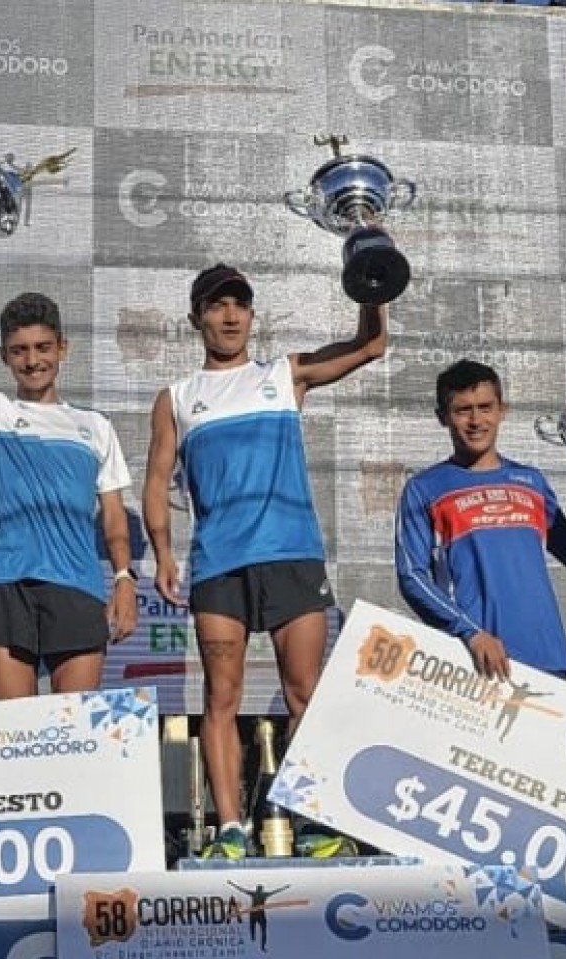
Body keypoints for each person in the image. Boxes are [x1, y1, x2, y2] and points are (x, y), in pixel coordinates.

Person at [143, 265, 385, 859]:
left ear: (252, 315)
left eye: (239, 306)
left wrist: (373, 276)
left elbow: (371, 345)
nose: (229, 316)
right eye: (217, 306)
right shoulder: (176, 398)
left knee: (306, 692)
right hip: (220, 564)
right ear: (197, 317)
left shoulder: (284, 374)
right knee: (220, 699)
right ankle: (229, 829)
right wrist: (163, 553)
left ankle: (312, 818)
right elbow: (154, 482)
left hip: (291, 556)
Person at [0, 204, 137, 698]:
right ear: (4, 356)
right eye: (20, 350)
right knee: (13, 738)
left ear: (62, 349)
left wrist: (125, 578)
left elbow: (113, 520)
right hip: (6, 586)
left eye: (43, 348)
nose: (33, 360)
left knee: (72, 734)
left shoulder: (94, 427)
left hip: (78, 588)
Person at [395, 358, 566, 681]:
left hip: (546, 655)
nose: (476, 420)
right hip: (471, 660)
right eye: (463, 410)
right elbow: (412, 576)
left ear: (501, 410)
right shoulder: (424, 488)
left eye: (485, 407)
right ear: (442, 418)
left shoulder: (531, 480)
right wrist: (469, 632)